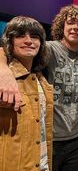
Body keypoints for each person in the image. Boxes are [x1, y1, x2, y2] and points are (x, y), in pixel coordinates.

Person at [0, 5, 78, 171]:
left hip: (77, 138)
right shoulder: (48, 48)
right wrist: (3, 71)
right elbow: (4, 50)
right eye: (71, 22)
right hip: (50, 137)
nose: (75, 27)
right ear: (62, 26)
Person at [0, 16, 53, 171]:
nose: (28, 41)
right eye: (20, 36)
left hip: (42, 162)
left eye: (34, 37)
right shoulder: (4, 79)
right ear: (9, 42)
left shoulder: (40, 78)